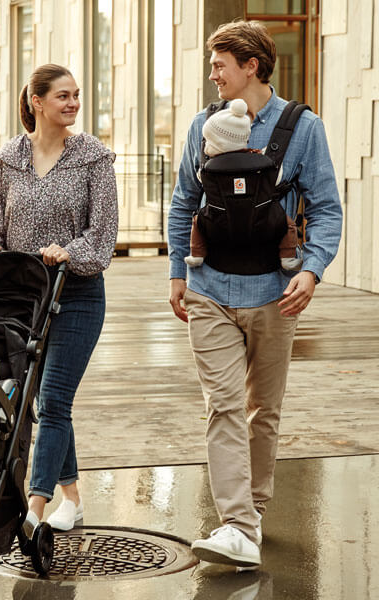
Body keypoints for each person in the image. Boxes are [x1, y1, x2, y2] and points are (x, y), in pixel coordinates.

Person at [168, 20, 342, 568]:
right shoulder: (203, 123)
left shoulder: (302, 127)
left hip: (274, 292)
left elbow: (328, 209)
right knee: (223, 408)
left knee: (262, 411)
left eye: (221, 63)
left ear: (251, 66)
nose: (212, 73)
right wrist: (178, 273)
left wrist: (311, 271)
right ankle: (237, 525)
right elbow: (182, 203)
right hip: (210, 290)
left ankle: (252, 513)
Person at [0, 63, 118, 533]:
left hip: (76, 295)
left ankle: (33, 508)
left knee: (53, 399)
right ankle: (72, 499)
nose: (73, 103)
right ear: (37, 102)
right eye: (63, 96)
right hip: (23, 302)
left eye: (76, 95)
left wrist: (67, 251)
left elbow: (103, 238)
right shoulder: (8, 158)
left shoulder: (94, 156)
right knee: (39, 398)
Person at [184, 97, 301, 271]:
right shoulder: (261, 162)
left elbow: (189, 194)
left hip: (217, 223)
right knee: (289, 225)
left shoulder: (208, 170)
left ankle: (197, 254)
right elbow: (277, 177)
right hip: (264, 223)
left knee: (197, 222)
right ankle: (288, 257)